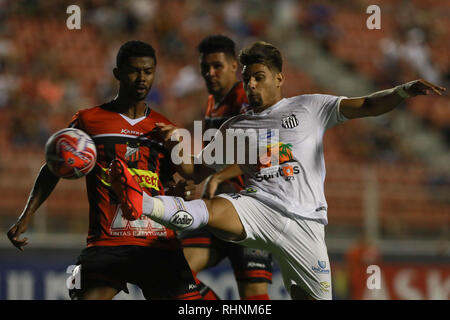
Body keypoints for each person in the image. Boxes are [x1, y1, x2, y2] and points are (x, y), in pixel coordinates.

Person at [108, 41, 446, 300]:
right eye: (247, 79)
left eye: (259, 77)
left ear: (279, 78)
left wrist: (404, 91)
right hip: (258, 207)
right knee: (210, 211)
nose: (251, 85)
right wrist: (176, 143)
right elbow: (197, 171)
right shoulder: (234, 127)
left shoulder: (311, 107)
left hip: (306, 225)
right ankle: (143, 204)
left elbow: (369, 105)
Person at [6, 40, 201, 300]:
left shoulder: (164, 127)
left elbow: (170, 183)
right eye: (134, 70)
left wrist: (182, 192)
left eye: (148, 71)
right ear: (117, 73)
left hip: (158, 245)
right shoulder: (89, 120)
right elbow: (53, 166)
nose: (142, 78)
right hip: (108, 245)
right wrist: (26, 216)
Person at [177, 35, 273, 300]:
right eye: (205, 68)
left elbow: (268, 151)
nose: (210, 73)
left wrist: (219, 176)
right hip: (218, 209)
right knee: (175, 271)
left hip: (251, 213)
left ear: (233, 66)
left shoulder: (246, 98)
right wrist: (193, 179)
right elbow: (215, 156)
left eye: (217, 66)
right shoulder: (211, 103)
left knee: (254, 297)